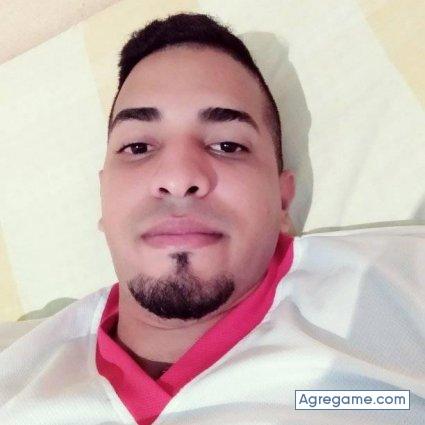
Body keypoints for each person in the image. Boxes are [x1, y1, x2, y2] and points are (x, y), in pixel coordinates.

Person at [0, 12, 424, 425]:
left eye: (227, 145)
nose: (178, 178)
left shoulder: (399, 290)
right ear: (103, 199)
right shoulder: (14, 365)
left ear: (282, 200)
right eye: (138, 148)